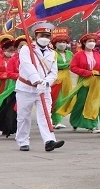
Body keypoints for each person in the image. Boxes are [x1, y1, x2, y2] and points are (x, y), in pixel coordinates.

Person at [16, 22, 65, 152]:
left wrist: (46, 83)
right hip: (26, 87)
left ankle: (49, 140)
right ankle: (23, 141)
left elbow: (53, 72)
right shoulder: (26, 49)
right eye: (42, 35)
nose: (45, 38)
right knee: (23, 116)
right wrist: (37, 80)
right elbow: (27, 66)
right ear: (36, 36)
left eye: (48, 36)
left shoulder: (52, 53)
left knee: (45, 115)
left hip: (44, 88)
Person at [67, 32, 100, 133]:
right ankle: (75, 121)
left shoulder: (97, 54)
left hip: (96, 82)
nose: (92, 43)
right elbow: (73, 67)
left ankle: (92, 125)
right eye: (89, 41)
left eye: (93, 41)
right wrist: (86, 72)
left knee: (93, 103)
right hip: (84, 81)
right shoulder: (78, 55)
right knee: (81, 102)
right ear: (84, 43)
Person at [50, 32, 75, 129]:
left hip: (67, 78)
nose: (62, 44)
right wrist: (67, 65)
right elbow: (53, 65)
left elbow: (73, 64)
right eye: (60, 42)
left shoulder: (69, 53)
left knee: (65, 98)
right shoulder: (53, 53)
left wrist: (69, 65)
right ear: (55, 44)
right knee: (57, 99)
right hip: (56, 78)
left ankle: (57, 119)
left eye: (64, 42)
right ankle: (57, 120)